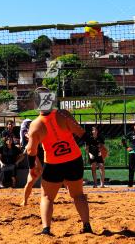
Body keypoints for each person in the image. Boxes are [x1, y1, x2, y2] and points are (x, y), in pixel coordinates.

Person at [26, 100, 92, 235]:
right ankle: (87, 226)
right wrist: (96, 145)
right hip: (74, 159)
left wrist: (32, 167)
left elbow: (31, 151)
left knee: (47, 197)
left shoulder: (35, 125)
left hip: (53, 163)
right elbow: (81, 133)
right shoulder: (64, 114)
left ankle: (46, 229)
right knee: (78, 195)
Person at [20, 118, 43, 207]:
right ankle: (25, 201)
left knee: (32, 179)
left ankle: (25, 201)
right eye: (29, 124)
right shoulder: (26, 131)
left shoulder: (35, 130)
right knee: (32, 178)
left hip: (40, 153)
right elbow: (28, 136)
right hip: (34, 154)